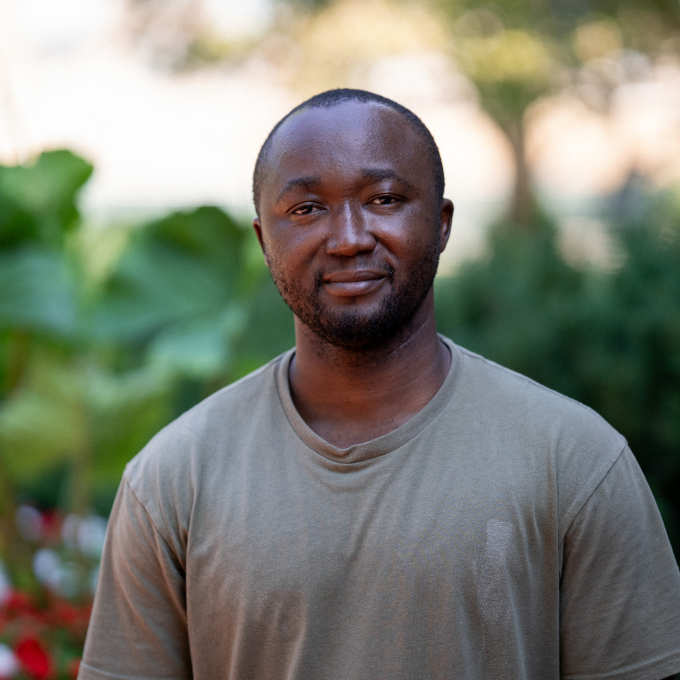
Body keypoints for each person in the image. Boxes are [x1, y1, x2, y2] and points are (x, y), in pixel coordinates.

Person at [79, 89, 680, 680]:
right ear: (265, 242)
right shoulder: (172, 479)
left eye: (384, 198)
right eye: (307, 209)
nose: (348, 238)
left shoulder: (574, 461)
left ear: (442, 224)